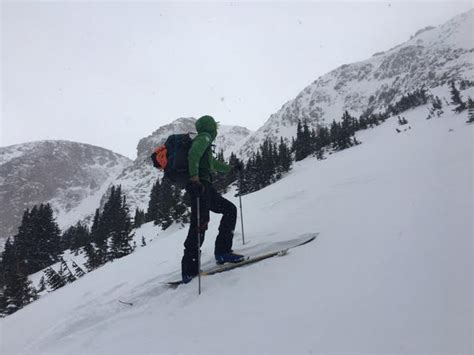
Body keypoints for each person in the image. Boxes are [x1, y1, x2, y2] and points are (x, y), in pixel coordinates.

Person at [182, 115, 244, 283]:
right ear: (210, 127)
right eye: (214, 126)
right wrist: (195, 178)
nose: (216, 129)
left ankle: (223, 252)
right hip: (200, 187)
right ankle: (189, 270)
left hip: (206, 188)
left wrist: (231, 168)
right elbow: (193, 154)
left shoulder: (205, 142)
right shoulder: (205, 137)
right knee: (199, 224)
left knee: (229, 210)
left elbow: (213, 164)